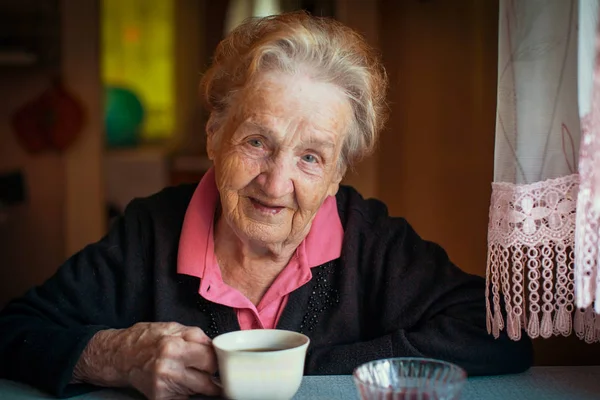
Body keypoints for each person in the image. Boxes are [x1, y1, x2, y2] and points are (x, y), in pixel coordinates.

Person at [0, 11, 532, 400]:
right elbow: (14, 330)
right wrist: (115, 356)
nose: (275, 184)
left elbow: (505, 333)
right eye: (256, 141)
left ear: (338, 174)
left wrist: (298, 367)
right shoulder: (150, 230)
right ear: (213, 134)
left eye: (310, 157)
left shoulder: (374, 242)